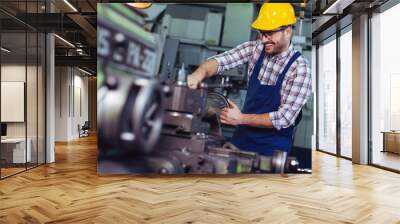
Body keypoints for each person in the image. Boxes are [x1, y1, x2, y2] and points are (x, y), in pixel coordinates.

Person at [187, 3, 312, 156]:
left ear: (287, 31)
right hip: (241, 141)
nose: (264, 39)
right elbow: (221, 61)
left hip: (271, 149)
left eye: (269, 33)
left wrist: (241, 118)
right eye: (261, 33)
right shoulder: (256, 48)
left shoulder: (299, 69)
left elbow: (284, 118)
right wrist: (198, 74)